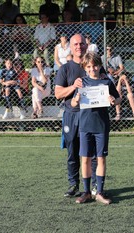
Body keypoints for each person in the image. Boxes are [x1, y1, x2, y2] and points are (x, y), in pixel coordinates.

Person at [71, 52, 121, 204]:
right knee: (85, 159)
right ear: (85, 68)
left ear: (100, 66)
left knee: (101, 158)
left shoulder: (106, 82)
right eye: (89, 67)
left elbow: (118, 98)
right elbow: (73, 104)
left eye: (95, 66)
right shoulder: (81, 83)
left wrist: (113, 100)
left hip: (101, 126)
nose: (92, 69)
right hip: (85, 125)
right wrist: (76, 99)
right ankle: (86, 192)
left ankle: (99, 191)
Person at [54, 34, 98, 197]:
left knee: (92, 152)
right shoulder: (65, 69)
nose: (79, 46)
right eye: (75, 44)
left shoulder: (93, 65)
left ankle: (95, 185)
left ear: (87, 46)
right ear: (70, 47)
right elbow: (58, 94)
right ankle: (73, 184)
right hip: (71, 115)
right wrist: (73, 86)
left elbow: (105, 85)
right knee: (72, 151)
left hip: (91, 115)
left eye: (81, 44)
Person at [101, 45, 134, 120]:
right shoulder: (102, 58)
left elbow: (121, 68)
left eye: (110, 49)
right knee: (110, 78)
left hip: (117, 74)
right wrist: (109, 70)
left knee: (129, 94)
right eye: (107, 49)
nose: (109, 51)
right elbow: (102, 69)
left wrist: (116, 73)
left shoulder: (117, 57)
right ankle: (119, 113)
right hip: (109, 76)